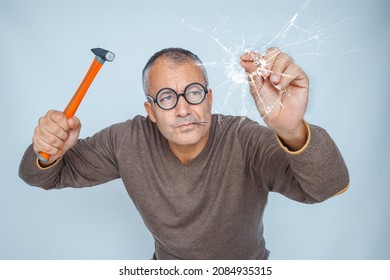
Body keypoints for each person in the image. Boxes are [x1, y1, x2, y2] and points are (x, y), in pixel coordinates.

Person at [19, 47, 349, 259]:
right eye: (166, 97)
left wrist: (292, 130)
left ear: (208, 98)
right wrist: (48, 150)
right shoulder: (126, 140)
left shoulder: (244, 139)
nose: (182, 109)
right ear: (150, 109)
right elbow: (40, 176)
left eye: (192, 93)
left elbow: (327, 186)